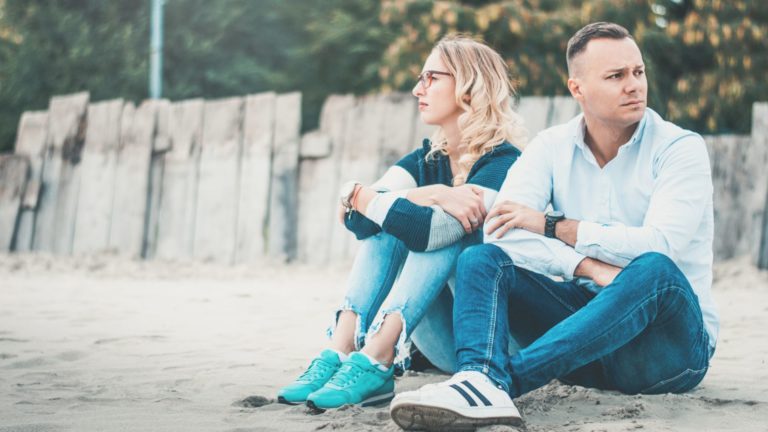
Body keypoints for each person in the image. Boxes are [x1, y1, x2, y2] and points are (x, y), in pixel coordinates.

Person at [390, 22, 718, 431]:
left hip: (663, 350)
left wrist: (554, 225)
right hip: (580, 339)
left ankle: (501, 382)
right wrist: (586, 268)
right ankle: (478, 376)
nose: (633, 85)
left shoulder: (679, 148)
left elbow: (660, 244)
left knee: (653, 270)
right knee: (481, 258)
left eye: (638, 72)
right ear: (577, 89)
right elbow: (501, 230)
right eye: (615, 76)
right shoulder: (551, 146)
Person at [277, 35, 527, 411]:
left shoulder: (505, 162)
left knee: (440, 227)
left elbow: (436, 232)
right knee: (386, 222)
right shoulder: (428, 159)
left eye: (431, 78)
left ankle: (378, 354)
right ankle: (341, 348)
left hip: (495, 340)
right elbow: (358, 220)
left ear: (468, 85)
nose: (417, 89)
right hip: (442, 339)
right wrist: (434, 192)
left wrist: (364, 195)